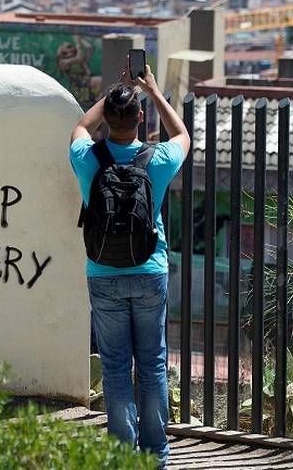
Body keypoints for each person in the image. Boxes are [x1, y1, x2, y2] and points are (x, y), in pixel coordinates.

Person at [69, 66, 190, 469]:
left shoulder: (88, 159)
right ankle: (155, 457)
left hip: (103, 272)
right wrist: (152, 90)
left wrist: (113, 92)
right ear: (140, 118)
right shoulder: (156, 159)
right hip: (149, 269)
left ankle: (122, 455)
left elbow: (79, 127)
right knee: (152, 362)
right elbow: (182, 136)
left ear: (109, 118)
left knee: (116, 366)